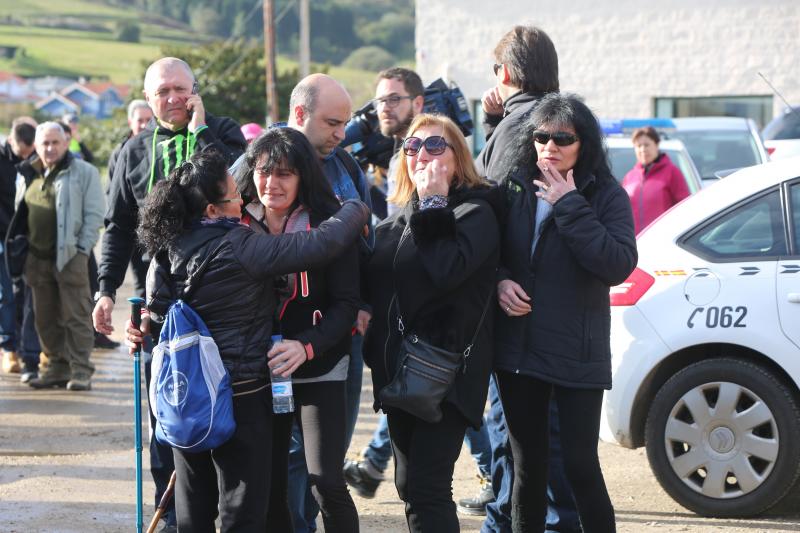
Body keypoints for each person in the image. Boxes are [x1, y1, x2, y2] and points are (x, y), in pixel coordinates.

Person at [128, 149, 369, 532]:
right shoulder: (242, 247)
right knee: (242, 510)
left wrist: (141, 325)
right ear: (211, 210)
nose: (242, 197)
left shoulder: (165, 249)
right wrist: (356, 205)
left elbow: (156, 320)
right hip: (240, 395)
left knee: (193, 507)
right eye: (231, 194)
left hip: (185, 396)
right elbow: (322, 243)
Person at [93, 56, 246, 533]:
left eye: (181, 89)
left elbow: (237, 188)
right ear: (149, 97)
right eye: (163, 92)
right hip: (157, 301)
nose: (173, 98)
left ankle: (227, 511)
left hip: (226, 297)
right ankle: (181, 517)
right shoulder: (133, 151)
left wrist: (201, 133)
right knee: (169, 411)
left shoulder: (223, 132)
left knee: (226, 408)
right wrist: (104, 290)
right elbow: (118, 227)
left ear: (195, 91)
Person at [494, 93, 637, 532]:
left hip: (577, 347)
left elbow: (617, 264)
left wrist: (570, 204)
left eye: (563, 138)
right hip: (519, 347)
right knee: (527, 467)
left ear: (584, 144)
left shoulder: (605, 193)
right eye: (541, 136)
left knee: (579, 464)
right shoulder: (513, 184)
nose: (550, 147)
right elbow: (486, 249)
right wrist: (499, 279)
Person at [363, 113, 500, 532]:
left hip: (448, 376)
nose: (421, 155)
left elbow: (446, 272)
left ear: (457, 157)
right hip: (400, 374)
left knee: (427, 488)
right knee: (409, 486)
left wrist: (436, 202)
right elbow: (377, 284)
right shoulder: (397, 221)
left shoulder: (475, 213)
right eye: (412, 147)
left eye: (435, 146)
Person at [235, 127, 361, 532]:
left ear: (304, 175)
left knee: (325, 480)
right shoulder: (234, 220)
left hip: (319, 362)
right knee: (267, 483)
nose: (271, 183)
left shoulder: (331, 221)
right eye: (263, 171)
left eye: (284, 174)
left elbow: (346, 306)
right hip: (256, 370)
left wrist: (305, 347)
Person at [285, 73, 374, 532]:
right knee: (287, 459)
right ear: (300, 115)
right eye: (332, 123)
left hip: (341, 335)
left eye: (345, 123)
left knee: (327, 464)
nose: (342, 133)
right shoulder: (261, 165)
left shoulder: (346, 166)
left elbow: (366, 244)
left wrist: (363, 306)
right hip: (276, 345)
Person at [6, 122, 104, 391]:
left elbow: (95, 215)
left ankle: (81, 370)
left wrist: (83, 249)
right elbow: (20, 212)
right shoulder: (28, 173)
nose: (49, 148)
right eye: (44, 143)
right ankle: (56, 368)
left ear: (65, 143)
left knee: (76, 316)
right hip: (36, 258)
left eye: (55, 142)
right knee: (44, 318)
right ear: (36, 146)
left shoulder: (84, 171)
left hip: (71, 256)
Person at [106, 99, 154, 301]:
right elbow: (113, 192)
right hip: (133, 229)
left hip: (156, 228)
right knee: (141, 282)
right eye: (139, 120)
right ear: (130, 122)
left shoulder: (158, 146)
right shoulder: (121, 152)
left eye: (148, 119)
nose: (144, 124)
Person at [0, 121, 35, 376]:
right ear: (12, 141)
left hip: (25, 236)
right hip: (2, 236)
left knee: (25, 293)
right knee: (7, 295)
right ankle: (8, 347)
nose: (27, 157)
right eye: (23, 153)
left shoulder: (34, 157)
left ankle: (27, 347)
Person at [621, 126, 690, 234]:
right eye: (639, 146)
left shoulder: (672, 172)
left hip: (663, 238)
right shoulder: (629, 177)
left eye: (647, 145)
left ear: (656, 145)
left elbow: (685, 207)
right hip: (635, 241)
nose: (643, 149)